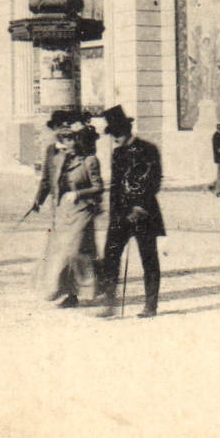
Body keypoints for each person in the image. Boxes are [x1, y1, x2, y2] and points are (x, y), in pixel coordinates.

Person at [98, 106, 164, 318]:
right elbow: (116, 187)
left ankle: (150, 306)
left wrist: (140, 207)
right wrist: (114, 216)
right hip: (120, 215)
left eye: (117, 133)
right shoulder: (117, 153)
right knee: (110, 256)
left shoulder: (148, 149)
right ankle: (109, 303)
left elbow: (154, 180)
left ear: (126, 130)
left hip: (144, 214)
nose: (115, 138)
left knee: (149, 258)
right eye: (112, 134)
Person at [31, 118, 104, 308]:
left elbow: (98, 187)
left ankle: (89, 290)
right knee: (62, 253)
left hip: (82, 211)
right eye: (64, 139)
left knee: (75, 252)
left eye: (70, 139)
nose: (66, 143)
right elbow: (49, 180)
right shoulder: (61, 159)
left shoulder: (90, 160)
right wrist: (40, 199)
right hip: (63, 211)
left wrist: (78, 193)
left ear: (78, 141)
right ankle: (70, 294)